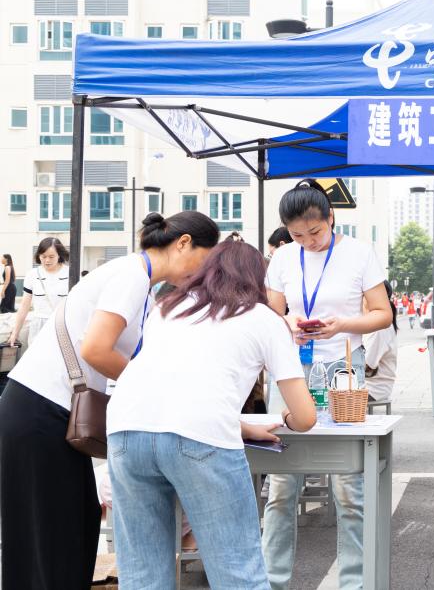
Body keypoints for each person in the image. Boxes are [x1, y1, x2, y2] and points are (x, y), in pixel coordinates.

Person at [0, 211, 219, 589]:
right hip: (39, 411)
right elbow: (96, 349)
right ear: (184, 243)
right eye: (206, 260)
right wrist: (152, 388)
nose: (203, 273)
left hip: (46, 412)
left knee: (68, 529)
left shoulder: (139, 281)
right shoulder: (132, 276)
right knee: (55, 539)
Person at [107, 241, 317, 588]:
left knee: (143, 573)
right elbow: (305, 417)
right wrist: (288, 419)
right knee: (237, 571)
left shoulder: (168, 307)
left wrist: (241, 426)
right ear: (257, 280)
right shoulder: (263, 318)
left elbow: (176, 385)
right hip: (200, 438)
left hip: (126, 430)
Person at [261, 178, 392, 590]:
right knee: (281, 485)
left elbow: (383, 313)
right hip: (291, 369)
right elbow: (269, 314)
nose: (308, 242)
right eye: (297, 235)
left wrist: (343, 324)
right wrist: (289, 324)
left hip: (343, 369)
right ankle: (272, 581)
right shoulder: (283, 257)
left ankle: (354, 582)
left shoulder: (359, 253)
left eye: (315, 232)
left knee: (349, 485)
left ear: (331, 218)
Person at [7, 238, 70, 347]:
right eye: (43, 256)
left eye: (51, 256)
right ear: (38, 255)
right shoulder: (32, 274)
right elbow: (24, 306)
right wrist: (15, 333)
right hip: (39, 325)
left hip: (63, 325)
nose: (47, 260)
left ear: (59, 255)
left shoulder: (70, 273)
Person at [364, 281, 399, 403]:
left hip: (373, 389)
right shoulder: (375, 323)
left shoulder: (380, 328)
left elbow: (367, 366)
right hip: (370, 385)